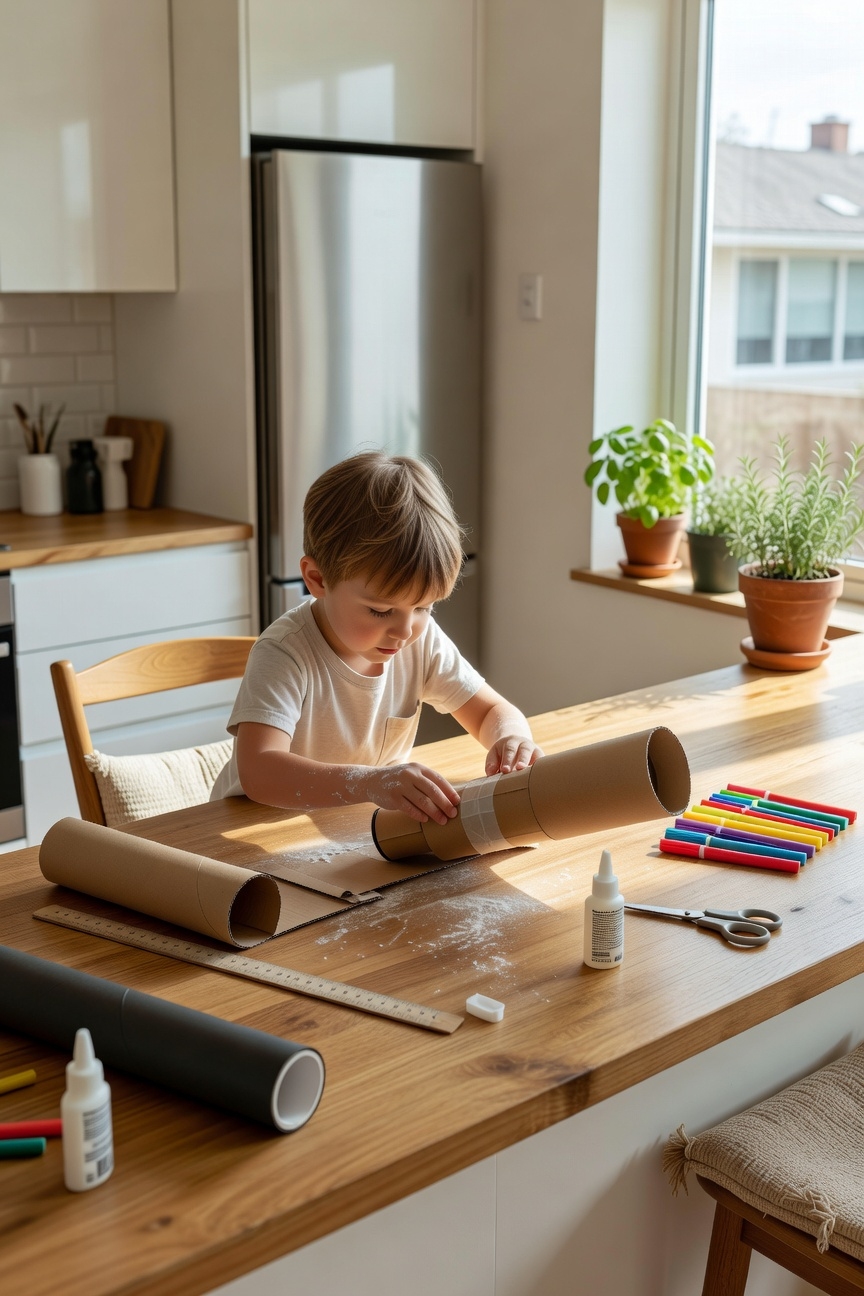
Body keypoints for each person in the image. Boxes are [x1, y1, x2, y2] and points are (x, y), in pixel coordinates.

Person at [211, 452, 543, 825]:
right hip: (255, 828)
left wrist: (511, 739)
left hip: (351, 822)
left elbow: (490, 711)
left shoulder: (421, 640)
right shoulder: (285, 653)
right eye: (380, 611)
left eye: (423, 607)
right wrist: (368, 782)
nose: (405, 631)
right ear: (318, 580)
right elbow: (261, 772)